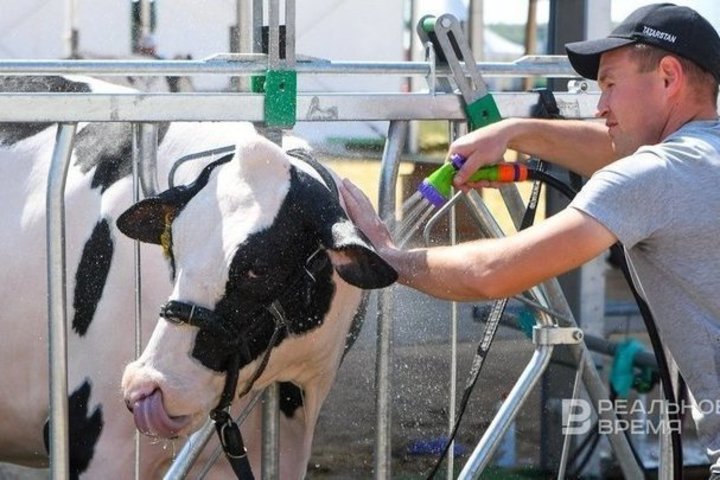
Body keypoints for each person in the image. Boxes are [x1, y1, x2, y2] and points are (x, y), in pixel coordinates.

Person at [340, 3, 720, 477]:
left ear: (668, 76)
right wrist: (514, 131)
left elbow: (494, 272)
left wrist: (392, 259)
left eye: (609, 85)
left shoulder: (655, 174)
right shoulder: (699, 158)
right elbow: (614, 149)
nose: (601, 107)